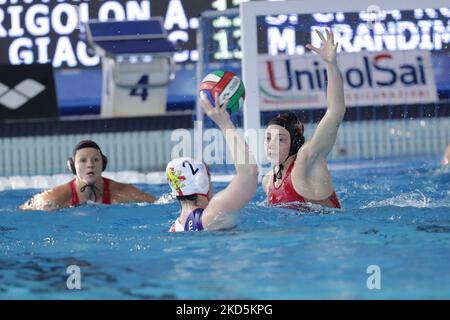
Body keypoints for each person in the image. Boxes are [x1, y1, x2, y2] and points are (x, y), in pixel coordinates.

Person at [262, 29, 345, 209]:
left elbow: (336, 111)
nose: (272, 144)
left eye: (281, 139)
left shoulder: (308, 159)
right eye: (268, 138)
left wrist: (331, 65)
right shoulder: (268, 180)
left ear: (294, 142)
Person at [167, 93, 258, 232]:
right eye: (209, 176)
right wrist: (224, 123)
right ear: (201, 181)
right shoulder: (212, 214)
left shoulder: (174, 228)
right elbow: (250, 173)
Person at [20, 140, 156, 211]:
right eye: (83, 160)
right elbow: (24, 210)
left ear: (103, 163)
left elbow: (159, 204)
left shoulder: (122, 192)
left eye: (95, 160)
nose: (90, 165)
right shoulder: (57, 196)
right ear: (72, 166)